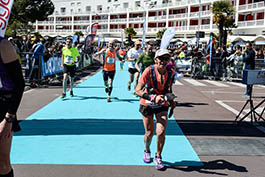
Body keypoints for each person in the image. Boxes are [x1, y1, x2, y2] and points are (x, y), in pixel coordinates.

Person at [135, 49, 176, 170]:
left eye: (166, 59)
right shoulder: (149, 71)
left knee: (161, 131)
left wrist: (172, 101)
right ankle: (147, 149)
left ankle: (158, 156)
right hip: (147, 103)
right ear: (155, 59)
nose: (163, 61)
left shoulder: (170, 72)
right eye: (161, 58)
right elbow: (137, 90)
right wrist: (152, 97)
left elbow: (169, 89)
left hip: (162, 104)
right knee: (149, 132)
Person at [0, 36, 25, 177]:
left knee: (2, 163)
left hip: (3, 107)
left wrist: (9, 118)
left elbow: (19, 84)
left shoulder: (3, 45)